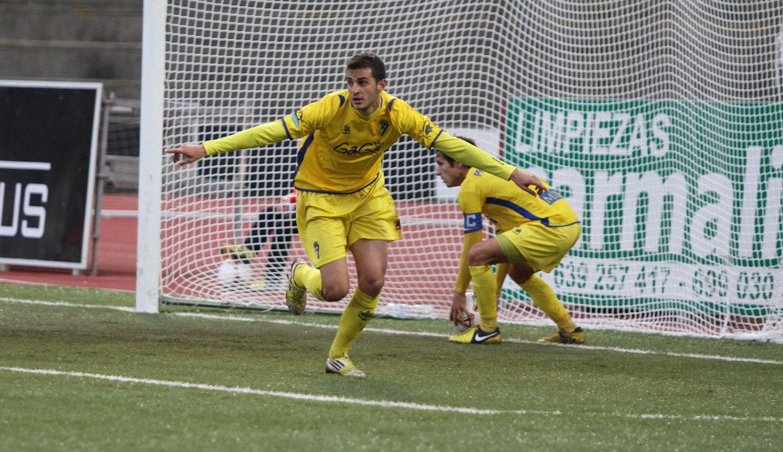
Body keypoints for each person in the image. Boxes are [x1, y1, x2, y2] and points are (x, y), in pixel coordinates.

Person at [166, 53, 550, 377]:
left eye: (362, 82)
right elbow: (269, 133)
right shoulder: (328, 109)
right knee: (334, 289)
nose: (354, 90)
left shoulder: (399, 114)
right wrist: (206, 147)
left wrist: (513, 172)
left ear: (381, 84)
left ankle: (338, 354)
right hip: (320, 202)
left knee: (373, 281)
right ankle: (299, 274)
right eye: (350, 82)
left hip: (369, 200)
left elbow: (452, 146)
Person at [435, 138, 585, 345]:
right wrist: (495, 291)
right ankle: (570, 329)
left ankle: (487, 329)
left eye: (440, 163)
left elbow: (473, 248)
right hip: (568, 223)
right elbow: (504, 239)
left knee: (477, 255)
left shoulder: (471, 186)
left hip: (549, 227)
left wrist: (459, 293)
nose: (436, 171)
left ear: (459, 163)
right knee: (519, 272)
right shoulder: (495, 172)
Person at [217, 189, 299, 290]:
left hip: (316, 217)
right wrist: (289, 203)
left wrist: (292, 204)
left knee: (283, 225)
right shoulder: (301, 174)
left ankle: (273, 278)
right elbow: (298, 193)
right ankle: (248, 250)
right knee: (269, 213)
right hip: (301, 210)